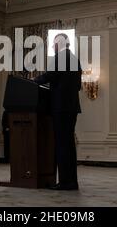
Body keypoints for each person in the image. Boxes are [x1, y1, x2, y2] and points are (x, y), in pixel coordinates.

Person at [34, 33, 82, 190]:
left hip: (61, 108)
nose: (52, 47)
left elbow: (50, 76)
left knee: (62, 145)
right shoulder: (74, 58)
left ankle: (65, 182)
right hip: (71, 107)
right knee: (68, 146)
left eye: (53, 44)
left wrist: (31, 82)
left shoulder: (62, 57)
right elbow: (77, 85)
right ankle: (71, 181)